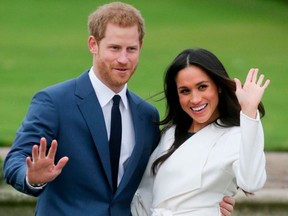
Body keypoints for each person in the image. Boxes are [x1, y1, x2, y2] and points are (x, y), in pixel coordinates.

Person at [3, 2, 234, 216]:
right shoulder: (54, 102)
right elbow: (15, 161)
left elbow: (159, 178)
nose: (123, 59)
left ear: (140, 46)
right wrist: (32, 178)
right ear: (93, 44)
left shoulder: (147, 115)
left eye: (131, 49)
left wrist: (207, 200)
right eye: (114, 48)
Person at [131, 48, 270, 215]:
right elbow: (144, 193)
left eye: (202, 87)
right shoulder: (169, 134)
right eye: (185, 91)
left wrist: (249, 113)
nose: (195, 99)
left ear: (218, 86)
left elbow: (252, 182)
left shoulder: (236, 135)